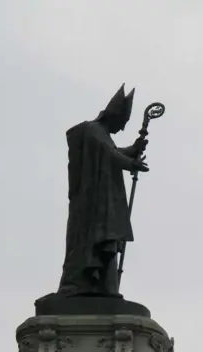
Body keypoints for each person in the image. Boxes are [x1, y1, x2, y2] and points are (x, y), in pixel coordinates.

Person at [58, 84, 149, 297]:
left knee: (108, 241)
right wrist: (131, 163)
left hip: (104, 203)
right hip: (93, 206)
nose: (123, 127)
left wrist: (133, 150)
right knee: (100, 241)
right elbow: (109, 154)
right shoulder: (93, 130)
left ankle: (107, 289)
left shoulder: (102, 135)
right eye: (123, 122)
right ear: (115, 115)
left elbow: (113, 151)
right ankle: (88, 286)